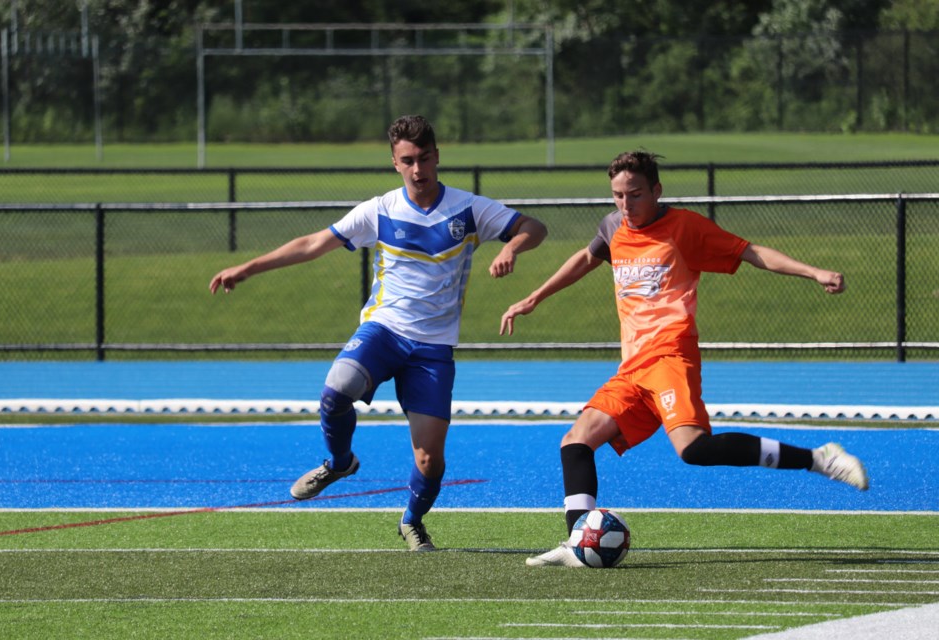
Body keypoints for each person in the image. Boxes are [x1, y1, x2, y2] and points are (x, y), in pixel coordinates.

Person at [499, 150, 868, 568]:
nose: (625, 205)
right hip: (633, 367)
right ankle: (576, 542)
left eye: (635, 194)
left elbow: (750, 252)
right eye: (617, 195)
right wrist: (533, 298)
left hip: (671, 355)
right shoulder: (612, 226)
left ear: (656, 190)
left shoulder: (685, 227)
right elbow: (587, 258)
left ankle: (820, 459)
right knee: (576, 442)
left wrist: (814, 272)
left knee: (693, 450)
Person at [210, 115, 547, 551]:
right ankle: (339, 462)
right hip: (384, 330)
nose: (418, 170)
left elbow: (534, 227)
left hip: (433, 349)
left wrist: (510, 247)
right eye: (408, 161)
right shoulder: (381, 210)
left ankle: (411, 521)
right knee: (336, 389)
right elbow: (314, 244)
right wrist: (248, 268)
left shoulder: (468, 209)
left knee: (430, 461)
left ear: (437, 156)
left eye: (425, 159)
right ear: (394, 162)